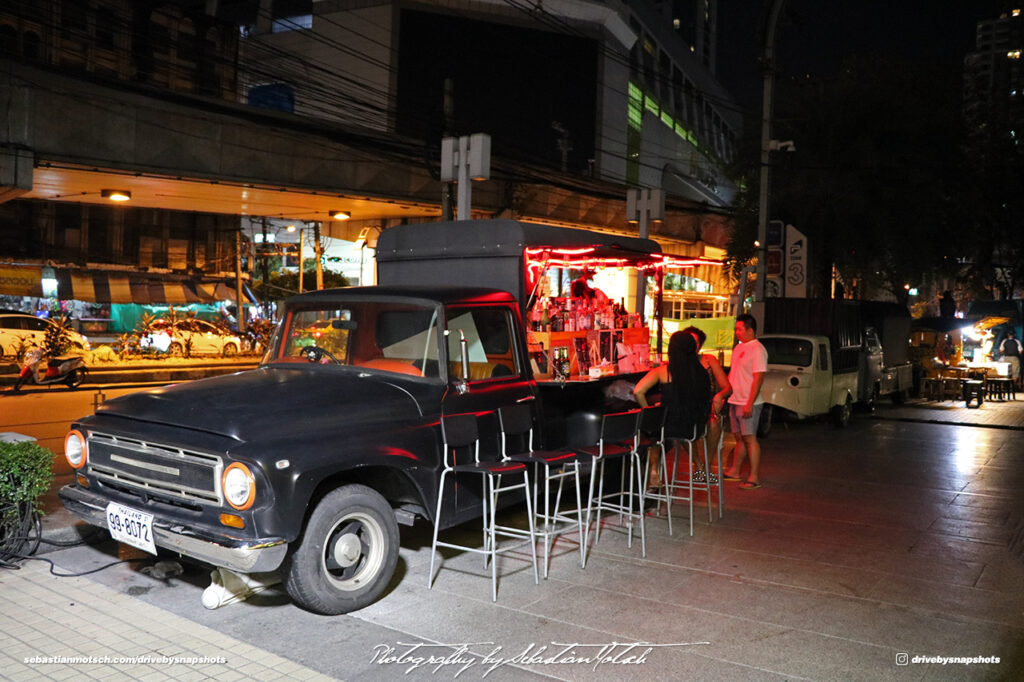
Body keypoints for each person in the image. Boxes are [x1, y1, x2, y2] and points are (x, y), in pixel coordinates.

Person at [633, 331, 711, 488]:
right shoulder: (702, 373)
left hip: (670, 426)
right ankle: (700, 468)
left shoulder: (665, 372)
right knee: (677, 426)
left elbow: (638, 391)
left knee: (653, 428)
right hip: (695, 427)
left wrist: (649, 410)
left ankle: (654, 474)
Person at [680, 326, 732, 482]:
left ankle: (708, 465)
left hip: (707, 405)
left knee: (714, 422)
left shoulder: (709, 360)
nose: (691, 345)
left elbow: (728, 387)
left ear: (700, 345)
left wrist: (719, 396)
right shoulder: (678, 362)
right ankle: (698, 465)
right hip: (686, 407)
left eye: (694, 342)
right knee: (681, 424)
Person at [722, 314, 768, 490]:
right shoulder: (738, 348)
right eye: (736, 329)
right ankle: (735, 470)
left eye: (740, 329)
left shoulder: (758, 350)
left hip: (748, 401)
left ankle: (754, 476)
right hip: (735, 399)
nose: (737, 332)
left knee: (750, 438)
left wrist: (750, 402)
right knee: (739, 438)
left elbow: (758, 379)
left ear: (750, 330)